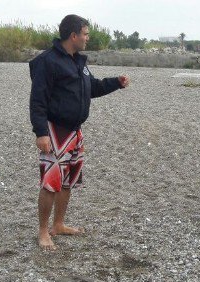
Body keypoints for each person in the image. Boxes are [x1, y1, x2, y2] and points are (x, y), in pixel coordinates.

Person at [29, 14, 129, 250]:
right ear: (73, 35)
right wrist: (41, 132)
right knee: (51, 183)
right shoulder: (48, 61)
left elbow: (91, 88)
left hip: (75, 131)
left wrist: (116, 82)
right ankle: (43, 231)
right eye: (85, 34)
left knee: (67, 182)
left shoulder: (78, 62)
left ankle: (59, 224)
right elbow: (38, 100)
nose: (87, 38)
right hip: (55, 131)